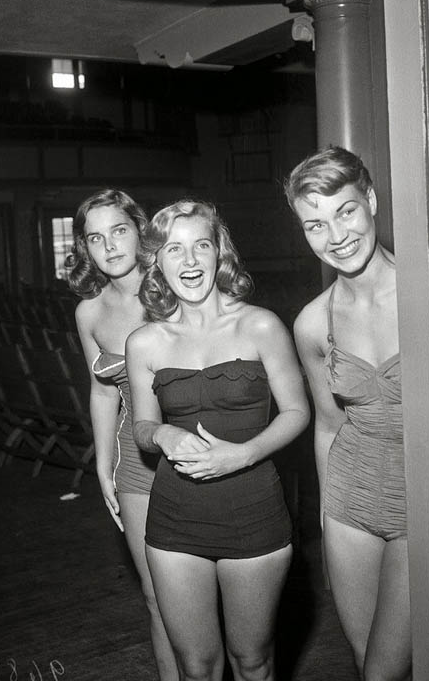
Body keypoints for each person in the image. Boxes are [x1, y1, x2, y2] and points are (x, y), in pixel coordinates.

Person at [126, 199, 310, 681]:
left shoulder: (260, 325)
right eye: (174, 249)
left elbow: (297, 412)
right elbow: (141, 428)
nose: (189, 261)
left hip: (253, 511)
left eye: (201, 246)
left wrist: (243, 455)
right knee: (197, 667)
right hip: (175, 518)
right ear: (157, 262)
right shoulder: (144, 342)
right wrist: (162, 432)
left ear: (219, 253)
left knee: (253, 662)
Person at [284, 147, 411, 681]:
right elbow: (329, 425)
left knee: (384, 671)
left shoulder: (426, 295)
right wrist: (323, 516)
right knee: (365, 665)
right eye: (315, 224)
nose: (336, 236)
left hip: (419, 503)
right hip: (348, 505)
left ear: (372, 201)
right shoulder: (314, 323)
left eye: (346, 211)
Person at [68, 189, 178, 681]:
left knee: (204, 596)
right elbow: (102, 392)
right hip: (134, 460)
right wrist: (101, 464)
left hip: (196, 447)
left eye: (119, 230)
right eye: (95, 238)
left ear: (140, 230)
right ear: (84, 247)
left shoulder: (174, 289)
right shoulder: (89, 312)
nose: (109, 246)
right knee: (157, 597)